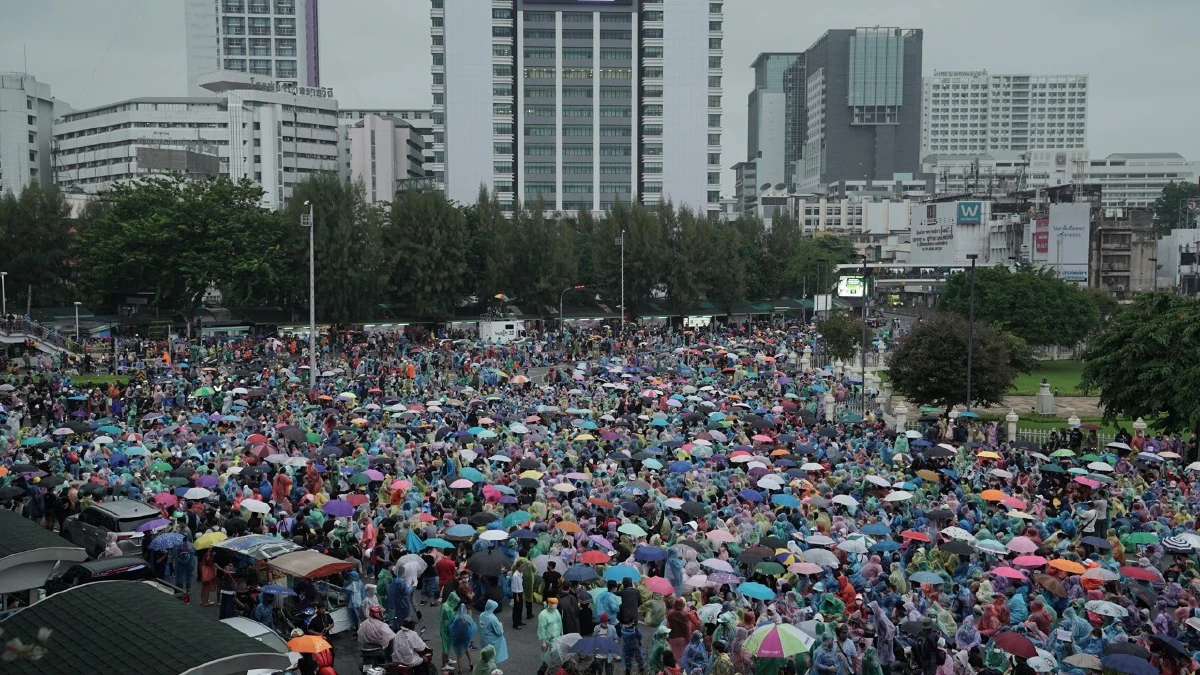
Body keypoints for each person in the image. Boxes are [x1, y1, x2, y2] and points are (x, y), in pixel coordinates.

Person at [536, 597, 563, 675]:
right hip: (548, 640)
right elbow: (541, 629)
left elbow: (560, 624)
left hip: (557, 638)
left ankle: (550, 671)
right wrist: (543, 642)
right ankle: (541, 672)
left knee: (554, 657)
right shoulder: (543, 615)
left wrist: (561, 635)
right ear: (549, 604)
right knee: (548, 658)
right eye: (554, 604)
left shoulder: (556, 611)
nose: (555, 605)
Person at [479, 599, 509, 665]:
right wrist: (501, 625)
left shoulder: (481, 615)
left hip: (484, 640)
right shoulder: (493, 618)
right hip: (491, 642)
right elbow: (499, 632)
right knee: (492, 659)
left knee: (485, 658)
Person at [509, 565, 525, 629]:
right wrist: (517, 596)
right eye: (522, 567)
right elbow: (515, 586)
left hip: (520, 592)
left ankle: (519, 621)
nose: (523, 568)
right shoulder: (515, 575)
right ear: (518, 567)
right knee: (516, 609)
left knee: (520, 608)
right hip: (517, 593)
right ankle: (515, 624)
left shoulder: (520, 573)